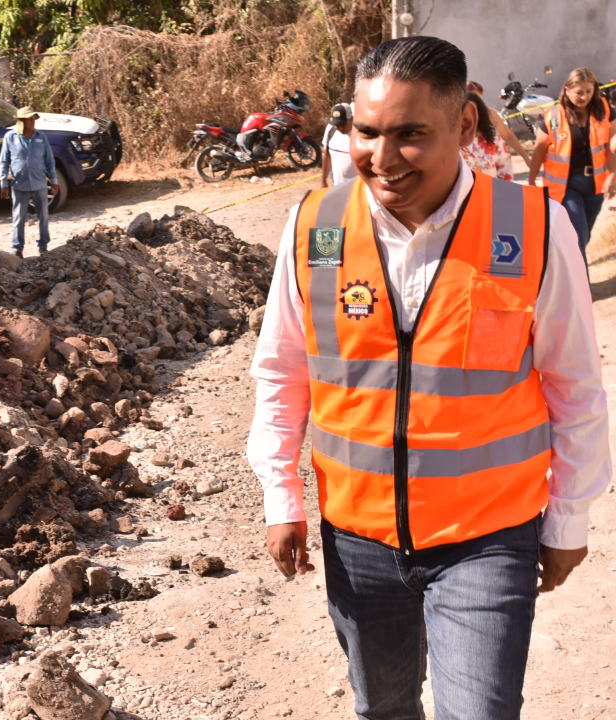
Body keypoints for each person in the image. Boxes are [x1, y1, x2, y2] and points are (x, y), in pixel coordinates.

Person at [248, 36, 610, 719]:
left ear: (465, 125)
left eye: (410, 134)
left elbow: (576, 385)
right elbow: (282, 371)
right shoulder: (313, 228)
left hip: (489, 538)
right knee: (382, 708)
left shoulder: (535, 227)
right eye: (367, 131)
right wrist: (280, 494)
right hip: (357, 538)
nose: (382, 158)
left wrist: (568, 517)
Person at [528, 67, 616, 258]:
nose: (584, 97)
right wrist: (532, 180)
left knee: (584, 235)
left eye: (589, 91)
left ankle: (569, 266)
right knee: (577, 236)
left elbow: (612, 145)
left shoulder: (604, 110)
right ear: (567, 90)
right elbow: (539, 150)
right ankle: (580, 276)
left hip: (596, 184)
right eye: (579, 92)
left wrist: (613, 174)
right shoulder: (553, 116)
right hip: (567, 186)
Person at [0, 107, 59, 258]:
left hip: (40, 184)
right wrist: (4, 184)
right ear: (21, 121)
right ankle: (17, 249)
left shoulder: (41, 137)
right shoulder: (10, 137)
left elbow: (50, 161)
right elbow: (4, 162)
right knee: (18, 218)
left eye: (34, 119)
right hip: (19, 185)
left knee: (43, 216)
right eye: (30, 119)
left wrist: (54, 181)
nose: (33, 121)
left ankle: (43, 246)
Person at [467, 80, 531, 165]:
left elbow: (508, 135)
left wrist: (526, 158)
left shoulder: (489, 114)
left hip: (490, 168)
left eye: (478, 101)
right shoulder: (454, 117)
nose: (474, 105)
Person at [461, 91, 514, 180]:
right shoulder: (450, 140)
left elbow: (505, 166)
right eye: (465, 112)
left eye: (473, 111)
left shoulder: (493, 135)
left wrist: (503, 187)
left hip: (492, 188)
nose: (470, 116)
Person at [320, 103, 357, 188]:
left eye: (343, 124)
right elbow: (327, 155)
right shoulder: (330, 130)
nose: (340, 128)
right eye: (337, 125)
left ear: (351, 119)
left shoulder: (361, 134)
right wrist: (323, 180)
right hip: (338, 187)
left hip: (358, 189)